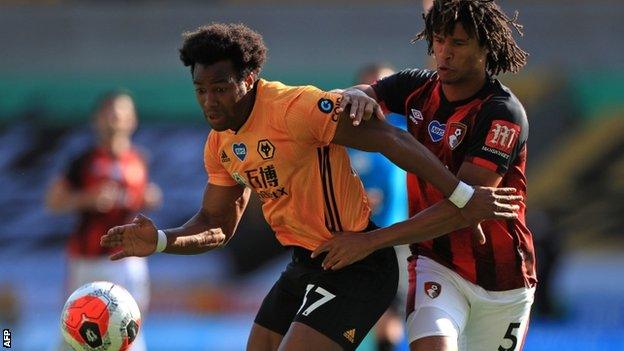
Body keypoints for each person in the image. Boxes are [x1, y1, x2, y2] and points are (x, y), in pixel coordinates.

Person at [100, 23, 521, 351]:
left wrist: (461, 194)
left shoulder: (296, 109)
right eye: (201, 90)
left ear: (248, 79)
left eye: (220, 89)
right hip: (305, 264)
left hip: (358, 263)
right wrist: (159, 240)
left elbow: (391, 139)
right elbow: (216, 224)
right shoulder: (221, 145)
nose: (210, 101)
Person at [319, 1, 536, 350]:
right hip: (437, 265)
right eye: (438, 40)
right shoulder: (415, 87)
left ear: (485, 48)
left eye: (458, 43)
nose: (444, 53)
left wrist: (371, 241)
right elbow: (364, 91)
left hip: (503, 280)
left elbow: (463, 209)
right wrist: (356, 97)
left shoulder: (502, 114)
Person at [46, 91, 162, 351]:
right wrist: (87, 199)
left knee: (127, 330)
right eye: (108, 113)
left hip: (128, 261)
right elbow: (53, 201)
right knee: (73, 331)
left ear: (132, 120)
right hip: (86, 259)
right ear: (97, 119)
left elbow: (144, 198)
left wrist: (149, 198)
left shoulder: (139, 160)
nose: (114, 119)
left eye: (120, 113)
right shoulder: (83, 161)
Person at [349, 63, 408, 351]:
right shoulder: (345, 135)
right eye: (372, 85)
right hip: (354, 238)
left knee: (390, 319)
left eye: (385, 85)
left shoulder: (406, 128)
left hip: (397, 237)